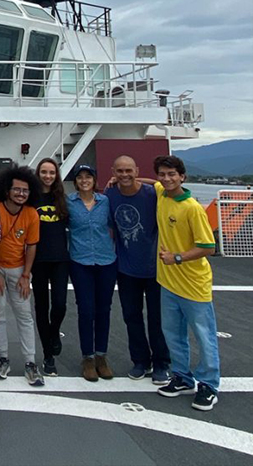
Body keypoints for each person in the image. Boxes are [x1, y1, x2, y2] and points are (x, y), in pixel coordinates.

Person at [152, 155, 220, 411]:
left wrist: (176, 257)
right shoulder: (161, 194)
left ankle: (209, 384)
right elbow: (153, 183)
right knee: (173, 334)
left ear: (182, 176)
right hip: (168, 283)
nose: (166, 179)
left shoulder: (192, 207)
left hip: (193, 284)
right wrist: (125, 179)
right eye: (162, 174)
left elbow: (208, 247)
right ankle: (181, 376)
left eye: (172, 174)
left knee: (204, 335)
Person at [105, 155, 170, 384]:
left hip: (155, 269)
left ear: (137, 170)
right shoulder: (110, 195)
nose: (124, 175)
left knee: (157, 319)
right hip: (126, 269)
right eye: (120, 171)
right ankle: (141, 361)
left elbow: (169, 186)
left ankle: (162, 362)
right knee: (131, 317)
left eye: (129, 171)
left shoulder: (152, 194)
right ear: (113, 171)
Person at [0, 165, 43, 386]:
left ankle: (30, 362)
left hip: (18, 269)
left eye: (25, 190)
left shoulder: (31, 214)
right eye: (17, 190)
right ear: (6, 190)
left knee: (24, 317)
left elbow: (31, 246)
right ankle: (2, 358)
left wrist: (26, 275)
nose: (21, 194)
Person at [67, 164, 117, 382]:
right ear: (75, 181)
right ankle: (87, 357)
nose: (84, 180)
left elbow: (115, 224)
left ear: (95, 180)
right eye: (80, 177)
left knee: (104, 309)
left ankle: (101, 356)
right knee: (86, 310)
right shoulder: (69, 202)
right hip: (80, 261)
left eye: (89, 176)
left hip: (106, 260)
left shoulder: (105, 201)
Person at [31, 158, 70, 377]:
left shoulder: (62, 199)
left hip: (60, 259)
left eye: (51, 173)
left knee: (60, 304)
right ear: (38, 174)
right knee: (41, 307)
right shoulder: (31, 199)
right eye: (44, 172)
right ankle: (48, 355)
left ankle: (54, 332)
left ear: (56, 175)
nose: (47, 176)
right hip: (38, 259)